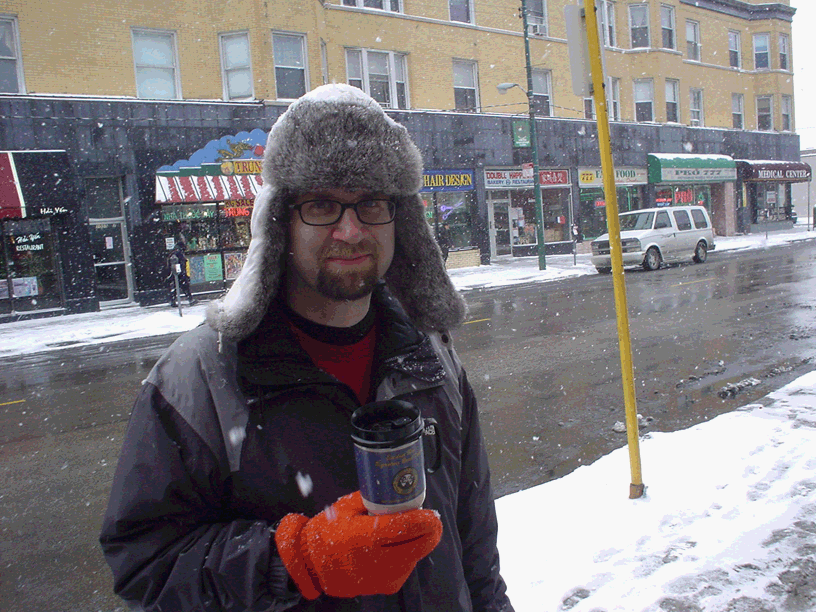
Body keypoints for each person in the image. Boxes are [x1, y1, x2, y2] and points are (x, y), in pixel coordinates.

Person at [100, 84, 514, 612]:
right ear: (281, 222)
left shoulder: (433, 358)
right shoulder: (199, 378)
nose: (351, 230)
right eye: (322, 205)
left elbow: (475, 545)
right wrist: (295, 562)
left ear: (401, 219)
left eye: (371, 203)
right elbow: (146, 565)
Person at [167, 241, 196, 306]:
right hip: (179, 273)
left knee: (176, 287)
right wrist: (182, 272)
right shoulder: (179, 253)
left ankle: (173, 300)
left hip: (176, 273)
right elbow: (181, 263)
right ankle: (190, 299)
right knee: (185, 286)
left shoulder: (174, 252)